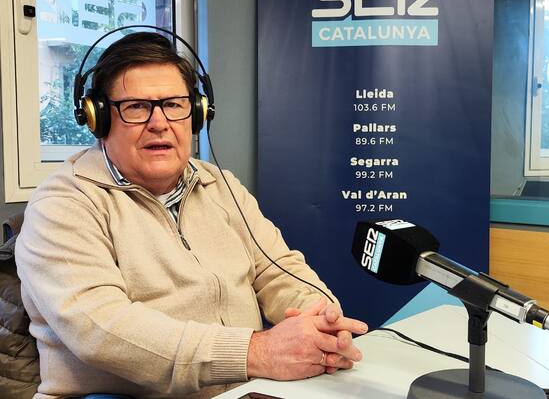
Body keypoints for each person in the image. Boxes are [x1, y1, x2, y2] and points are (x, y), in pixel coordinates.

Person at [15, 32, 368, 399]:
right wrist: (256, 352)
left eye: (173, 104)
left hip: (244, 391)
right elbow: (100, 329)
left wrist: (321, 321)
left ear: (197, 113)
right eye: (136, 107)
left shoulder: (220, 185)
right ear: (98, 118)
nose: (159, 122)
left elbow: (278, 269)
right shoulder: (61, 204)